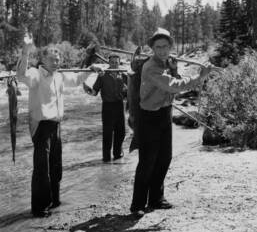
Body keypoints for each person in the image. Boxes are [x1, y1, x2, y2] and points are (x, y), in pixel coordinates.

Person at [16, 32, 101, 218]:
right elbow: (20, 76)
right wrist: (25, 51)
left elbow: (77, 79)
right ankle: (39, 208)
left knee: (56, 167)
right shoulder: (35, 74)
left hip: (56, 126)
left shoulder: (59, 76)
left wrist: (90, 69)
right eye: (53, 60)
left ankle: (54, 201)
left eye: (58, 59)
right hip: (41, 126)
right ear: (43, 59)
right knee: (42, 169)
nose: (57, 62)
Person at [130, 27, 213, 218]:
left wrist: (174, 68)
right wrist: (200, 77)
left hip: (165, 114)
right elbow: (173, 86)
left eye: (165, 47)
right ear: (152, 48)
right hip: (149, 117)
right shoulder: (151, 67)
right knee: (147, 161)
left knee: (164, 158)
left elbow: (173, 79)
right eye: (158, 47)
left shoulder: (165, 63)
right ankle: (137, 205)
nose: (162, 50)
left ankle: (156, 199)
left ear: (170, 47)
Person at [83, 53, 127, 162]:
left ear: (119, 63)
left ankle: (117, 154)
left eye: (116, 63)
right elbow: (94, 92)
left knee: (121, 131)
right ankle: (106, 157)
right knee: (107, 132)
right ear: (109, 63)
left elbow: (132, 89)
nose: (114, 65)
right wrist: (86, 88)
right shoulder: (102, 75)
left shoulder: (124, 75)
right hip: (107, 106)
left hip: (120, 105)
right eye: (112, 62)